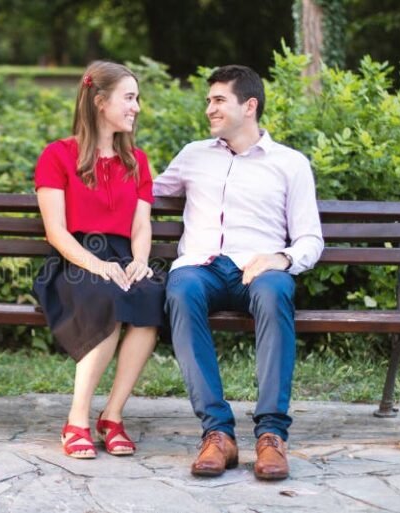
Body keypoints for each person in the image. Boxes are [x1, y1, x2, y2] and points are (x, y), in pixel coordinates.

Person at [152, 65, 323, 480]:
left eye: (218, 100)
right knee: (180, 290)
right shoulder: (193, 155)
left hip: (259, 269)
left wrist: (279, 259)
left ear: (249, 106)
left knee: (274, 292)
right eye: (209, 100)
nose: (209, 108)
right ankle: (217, 434)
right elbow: (145, 192)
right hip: (202, 268)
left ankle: (271, 436)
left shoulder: (290, 164)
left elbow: (309, 239)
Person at [33, 61, 167, 459]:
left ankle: (112, 415)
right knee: (108, 295)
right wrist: (97, 264)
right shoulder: (57, 156)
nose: (137, 107)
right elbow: (55, 230)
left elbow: (141, 225)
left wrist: (139, 260)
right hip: (74, 260)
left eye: (137, 98)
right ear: (100, 101)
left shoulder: (136, 161)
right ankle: (76, 420)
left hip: (123, 258)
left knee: (150, 297)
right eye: (129, 98)